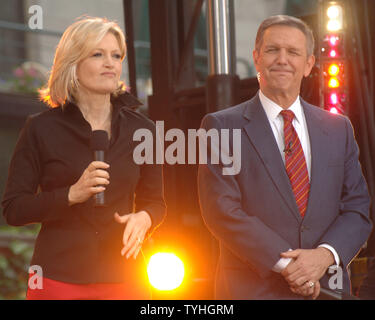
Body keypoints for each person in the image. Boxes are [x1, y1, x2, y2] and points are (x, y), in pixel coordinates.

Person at [198, 15, 372, 299]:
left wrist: (324, 257)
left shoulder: (338, 128)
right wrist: (289, 267)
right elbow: (222, 211)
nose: (282, 59)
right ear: (256, 58)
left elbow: (357, 209)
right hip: (254, 291)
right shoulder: (221, 126)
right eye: (272, 50)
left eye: (293, 52)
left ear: (308, 65)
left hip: (328, 289)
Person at [2, 17, 166, 300]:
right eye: (98, 54)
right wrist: (71, 195)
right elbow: (14, 209)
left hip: (126, 279)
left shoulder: (144, 130)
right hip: (57, 279)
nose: (110, 63)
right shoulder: (40, 128)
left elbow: (157, 203)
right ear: (73, 63)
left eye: (116, 55)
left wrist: (145, 217)